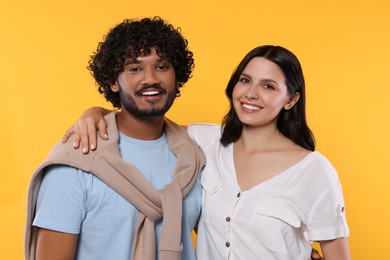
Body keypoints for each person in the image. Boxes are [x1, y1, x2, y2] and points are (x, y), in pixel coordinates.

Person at [65, 45, 351, 259]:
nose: (251, 94)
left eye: (268, 86)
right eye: (245, 80)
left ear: (291, 99)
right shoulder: (204, 141)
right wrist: (94, 112)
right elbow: (143, 118)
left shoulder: (314, 171)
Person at [25, 17, 207, 260]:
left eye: (162, 66)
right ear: (113, 81)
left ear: (177, 76)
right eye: (134, 68)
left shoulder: (195, 156)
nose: (150, 78)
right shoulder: (78, 160)